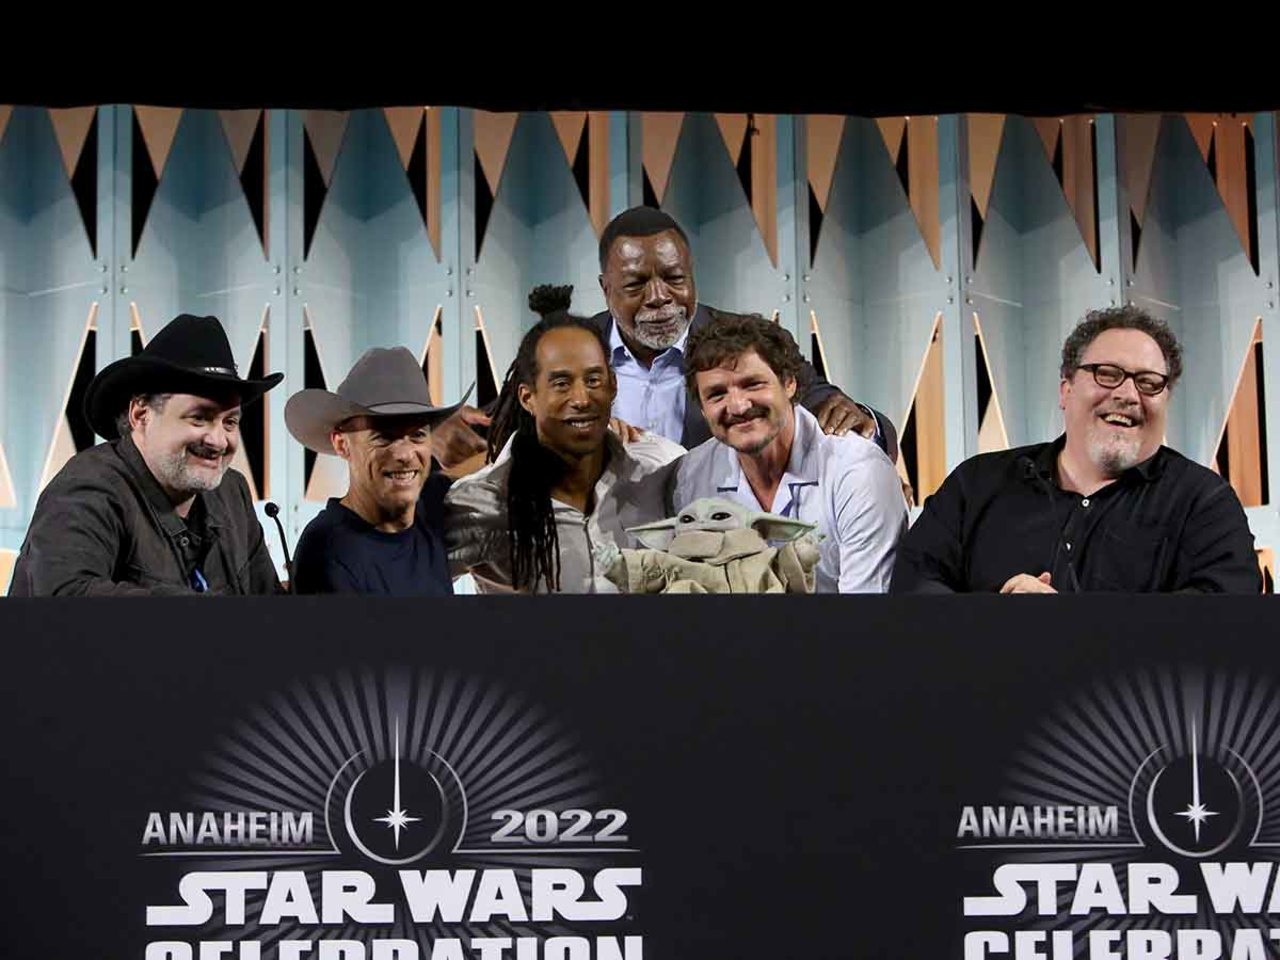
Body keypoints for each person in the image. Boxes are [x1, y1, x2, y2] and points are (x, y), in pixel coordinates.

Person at [891, 305, 1262, 594]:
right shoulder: (976, 484)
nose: (1128, 394)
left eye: (1149, 382)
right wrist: (997, 614)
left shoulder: (1205, 504)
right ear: (1065, 390)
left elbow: (1222, 623)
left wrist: (1071, 623)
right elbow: (912, 588)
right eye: (1107, 374)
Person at [8, 313, 283, 596]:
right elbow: (66, 598)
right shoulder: (86, 489)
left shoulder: (232, 491)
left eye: (230, 422)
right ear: (141, 415)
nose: (218, 440)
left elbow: (270, 603)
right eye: (199, 418)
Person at [445, 287, 682, 592]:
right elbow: (405, 573)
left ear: (613, 385)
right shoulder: (479, 504)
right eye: (561, 383)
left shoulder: (662, 468)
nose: (582, 399)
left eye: (593, 380)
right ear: (527, 397)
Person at [671, 312, 906, 593]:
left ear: (789, 383)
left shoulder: (858, 472)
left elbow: (869, 612)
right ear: (702, 409)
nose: (738, 406)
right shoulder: (691, 477)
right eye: (717, 394)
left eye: (753, 384)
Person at [285, 347, 468, 595]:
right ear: (342, 444)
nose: (405, 454)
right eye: (384, 437)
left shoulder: (430, 504)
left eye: (417, 435)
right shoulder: (328, 554)